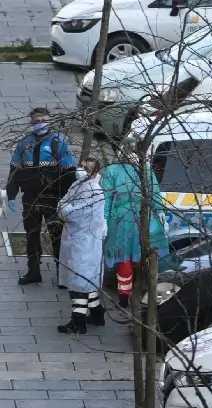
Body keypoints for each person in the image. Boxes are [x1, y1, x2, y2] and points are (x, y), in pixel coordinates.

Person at [5, 107, 77, 286]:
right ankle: (33, 271)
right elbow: (15, 170)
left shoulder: (58, 142)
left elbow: (69, 172)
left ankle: (62, 274)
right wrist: (11, 194)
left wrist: (68, 197)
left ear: (50, 121)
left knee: (57, 236)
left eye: (44, 120)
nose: (40, 124)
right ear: (31, 123)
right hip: (30, 198)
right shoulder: (24, 143)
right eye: (37, 121)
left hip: (53, 199)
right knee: (32, 236)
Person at [101, 137, 170, 309]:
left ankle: (128, 295)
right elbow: (154, 195)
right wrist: (160, 212)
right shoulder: (141, 169)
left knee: (131, 257)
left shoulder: (117, 170)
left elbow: (107, 199)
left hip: (128, 220)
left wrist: (160, 212)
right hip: (137, 219)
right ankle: (134, 294)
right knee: (138, 257)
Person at [56, 158, 107, 334]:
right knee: (85, 280)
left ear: (93, 172)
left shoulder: (95, 192)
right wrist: (65, 208)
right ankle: (97, 312)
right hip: (75, 239)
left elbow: (73, 213)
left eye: (85, 167)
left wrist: (66, 209)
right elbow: (62, 203)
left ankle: (78, 322)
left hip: (85, 243)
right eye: (81, 166)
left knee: (80, 281)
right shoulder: (77, 185)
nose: (81, 169)